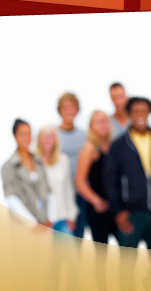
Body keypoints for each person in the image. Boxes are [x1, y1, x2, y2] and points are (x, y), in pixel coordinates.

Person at [105, 97, 151, 249]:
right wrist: (118, 212)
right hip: (130, 215)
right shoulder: (119, 145)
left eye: (144, 111)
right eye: (135, 112)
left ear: (149, 113)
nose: (140, 115)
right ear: (129, 114)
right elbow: (111, 181)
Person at [75, 110, 121, 291]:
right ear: (91, 126)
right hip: (98, 210)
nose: (103, 124)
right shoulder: (89, 148)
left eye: (105, 121)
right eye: (98, 122)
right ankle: (103, 290)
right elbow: (79, 181)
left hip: (115, 208)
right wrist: (96, 201)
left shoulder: (113, 146)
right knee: (101, 254)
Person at [1, 119, 53, 227]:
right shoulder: (9, 167)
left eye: (29, 133)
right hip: (23, 227)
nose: (27, 138)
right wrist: (33, 224)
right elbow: (12, 199)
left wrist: (50, 218)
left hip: (45, 223)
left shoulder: (38, 161)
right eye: (22, 134)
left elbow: (48, 191)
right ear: (15, 136)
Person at [36, 125, 78, 234]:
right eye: (45, 136)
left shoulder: (63, 160)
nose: (48, 140)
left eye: (51, 137)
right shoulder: (32, 161)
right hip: (41, 219)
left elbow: (68, 189)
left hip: (61, 217)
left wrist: (71, 216)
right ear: (39, 139)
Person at [56, 92, 87, 238]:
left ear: (77, 110)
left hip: (80, 195)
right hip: (60, 196)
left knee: (78, 237)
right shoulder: (53, 135)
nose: (69, 110)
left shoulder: (84, 135)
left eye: (72, 107)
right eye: (65, 107)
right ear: (59, 110)